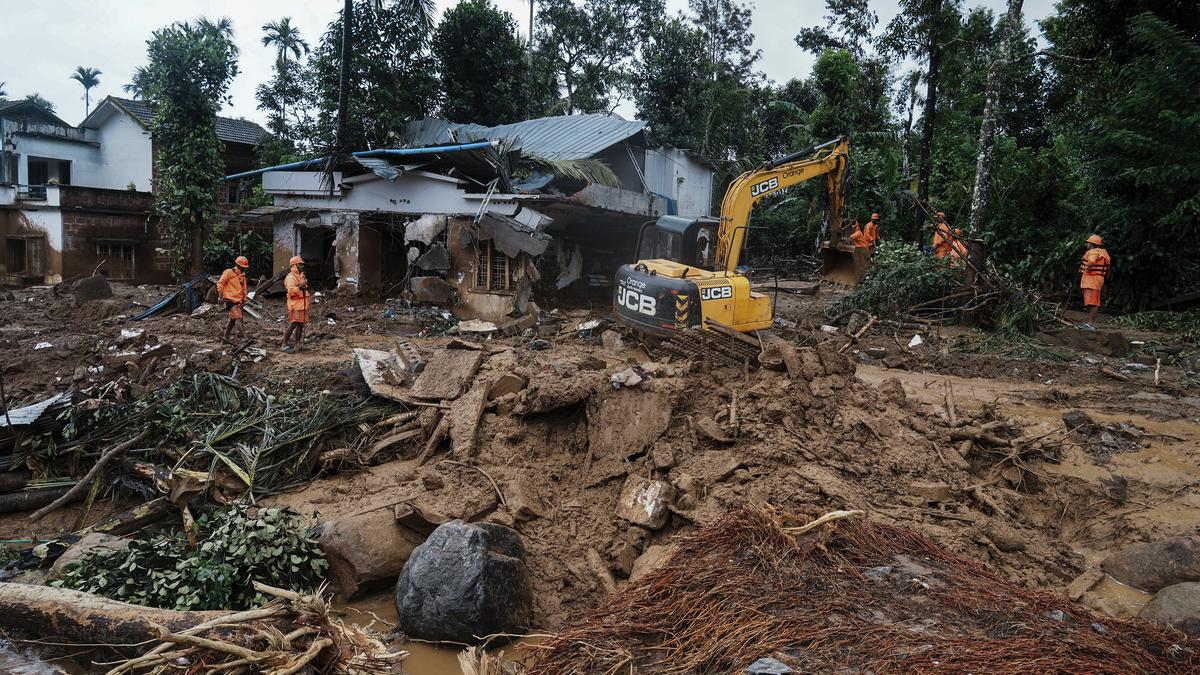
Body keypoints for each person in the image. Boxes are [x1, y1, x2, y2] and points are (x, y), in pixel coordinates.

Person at [1078, 234, 1111, 330]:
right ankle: (1090, 323)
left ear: (1092, 244)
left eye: (1088, 242)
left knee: (1093, 303)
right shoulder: (1101, 252)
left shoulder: (1093, 252)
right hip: (1096, 280)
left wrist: (1086, 270)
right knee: (1093, 302)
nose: (1087, 244)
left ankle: (1090, 324)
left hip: (1092, 280)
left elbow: (1091, 262)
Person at [216, 255, 250, 343]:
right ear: (238, 265)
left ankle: (225, 337)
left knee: (232, 319)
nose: (244, 269)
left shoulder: (242, 276)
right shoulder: (229, 272)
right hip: (230, 300)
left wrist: (244, 300)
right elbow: (220, 284)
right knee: (238, 318)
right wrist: (220, 297)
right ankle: (244, 338)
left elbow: (244, 289)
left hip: (238, 301)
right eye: (243, 267)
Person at [281, 256, 309, 353]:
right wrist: (300, 287)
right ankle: (284, 344)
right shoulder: (291, 277)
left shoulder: (300, 275)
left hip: (302, 305)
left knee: (301, 324)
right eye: (300, 264)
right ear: (295, 265)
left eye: (302, 264)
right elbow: (291, 292)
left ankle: (297, 343)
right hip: (296, 305)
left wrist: (304, 284)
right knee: (294, 323)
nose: (302, 266)